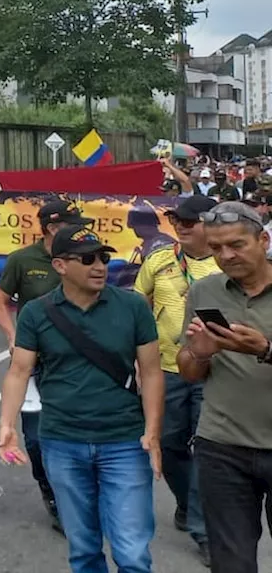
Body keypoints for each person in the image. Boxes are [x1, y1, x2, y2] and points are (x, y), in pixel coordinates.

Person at [0, 225, 164, 573]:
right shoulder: (36, 312)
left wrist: (153, 432)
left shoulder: (132, 306)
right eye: (87, 259)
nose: (99, 266)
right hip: (62, 441)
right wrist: (7, 425)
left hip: (124, 440)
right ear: (60, 266)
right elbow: (19, 371)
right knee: (84, 550)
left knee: (132, 552)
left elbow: (150, 371)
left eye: (103, 257)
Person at [178, 201, 272, 573]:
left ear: (263, 240)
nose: (225, 256)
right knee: (231, 561)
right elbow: (188, 371)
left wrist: (265, 349)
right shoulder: (204, 292)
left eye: (236, 245)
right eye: (216, 248)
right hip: (222, 445)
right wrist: (199, 355)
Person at [0, 198, 91, 533]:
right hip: (33, 361)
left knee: (75, 431)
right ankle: (51, 492)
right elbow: (1, 303)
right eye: (73, 224)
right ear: (51, 228)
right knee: (35, 439)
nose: (80, 229)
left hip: (77, 362)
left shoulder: (84, 258)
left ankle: (75, 498)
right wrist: (13, 336)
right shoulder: (23, 260)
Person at [133, 193, 219, 565]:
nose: (180, 227)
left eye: (189, 221)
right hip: (166, 369)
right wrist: (136, 363)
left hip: (213, 371)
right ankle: (187, 503)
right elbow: (138, 308)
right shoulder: (159, 260)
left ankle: (205, 531)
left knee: (206, 448)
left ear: (209, 225)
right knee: (167, 445)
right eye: (176, 221)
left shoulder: (225, 264)